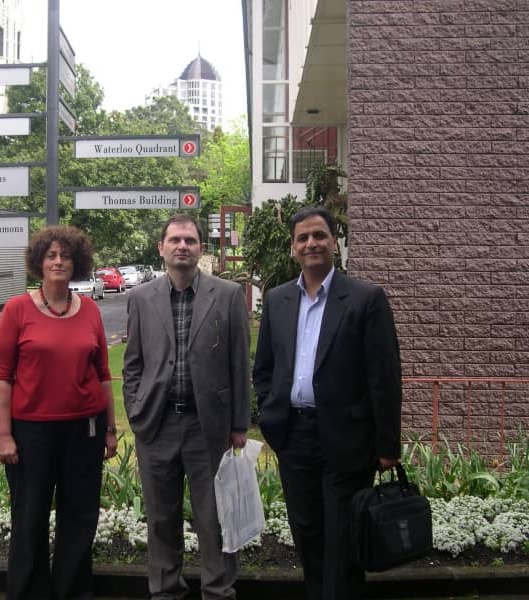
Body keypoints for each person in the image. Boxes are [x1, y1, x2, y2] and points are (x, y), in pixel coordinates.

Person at [252, 206, 402, 600]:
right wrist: (272, 418)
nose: (311, 243)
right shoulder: (278, 299)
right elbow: (264, 368)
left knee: (344, 540)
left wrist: (387, 445)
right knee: (308, 537)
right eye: (302, 238)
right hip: (294, 437)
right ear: (292, 248)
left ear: (334, 242)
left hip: (347, 439)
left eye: (319, 235)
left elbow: (384, 377)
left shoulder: (366, 299)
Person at [123, 214, 251, 599]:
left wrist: (239, 425)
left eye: (190, 240)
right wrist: (136, 411)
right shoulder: (141, 298)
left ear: (200, 248)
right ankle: (165, 591)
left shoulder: (227, 295)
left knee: (215, 519)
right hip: (157, 426)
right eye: (175, 240)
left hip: (207, 428)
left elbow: (239, 364)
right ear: (161, 248)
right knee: (162, 519)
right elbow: (132, 364)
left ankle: (218, 591)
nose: (182, 246)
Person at [0, 225, 118, 600]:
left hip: (85, 431)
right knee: (29, 521)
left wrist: (110, 429)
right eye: (51, 255)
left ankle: (72, 592)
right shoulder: (17, 310)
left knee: (80, 520)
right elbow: (1, 378)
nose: (59, 261)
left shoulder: (91, 310)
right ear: (39, 262)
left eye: (65, 255)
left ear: (76, 262)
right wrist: (4, 434)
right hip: (32, 433)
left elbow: (103, 375)